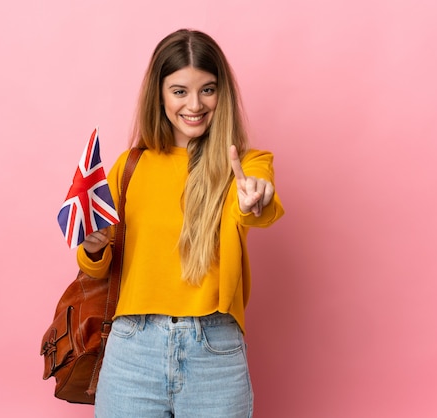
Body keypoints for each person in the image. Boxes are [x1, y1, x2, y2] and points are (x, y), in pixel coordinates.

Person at [77, 28, 284, 418]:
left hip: (214, 349)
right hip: (132, 349)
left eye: (208, 89)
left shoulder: (247, 164)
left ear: (222, 94)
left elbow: (259, 207)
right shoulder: (129, 167)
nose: (195, 104)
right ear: (159, 94)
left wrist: (256, 198)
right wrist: (92, 246)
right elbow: (99, 266)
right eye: (180, 91)